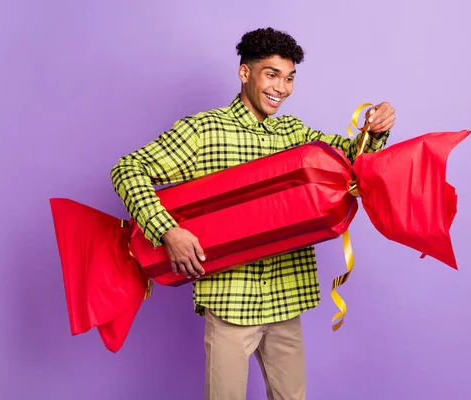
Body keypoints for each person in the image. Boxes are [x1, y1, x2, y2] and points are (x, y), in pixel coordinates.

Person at [110, 27, 396, 400]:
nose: (282, 88)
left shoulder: (294, 132)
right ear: (245, 73)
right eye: (272, 74)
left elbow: (353, 162)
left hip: (286, 297)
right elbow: (127, 169)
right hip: (231, 301)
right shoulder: (203, 130)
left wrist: (375, 128)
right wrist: (167, 231)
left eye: (290, 78)